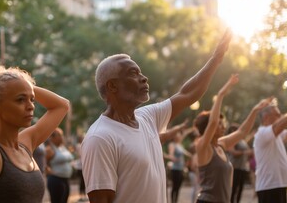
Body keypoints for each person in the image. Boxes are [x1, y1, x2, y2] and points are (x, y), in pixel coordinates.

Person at [81, 29, 232, 203]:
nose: (144, 78)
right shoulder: (100, 137)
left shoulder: (147, 117)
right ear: (113, 86)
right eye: (133, 73)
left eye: (140, 72)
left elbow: (187, 93)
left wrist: (216, 58)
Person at [0, 62, 70, 203]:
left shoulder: (26, 144)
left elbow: (62, 105)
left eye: (32, 99)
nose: (30, 106)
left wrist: (19, 83)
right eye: (20, 99)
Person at [194, 74, 273, 203]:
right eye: (220, 123)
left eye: (222, 123)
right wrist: (221, 94)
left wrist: (255, 110)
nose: (223, 126)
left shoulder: (220, 144)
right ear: (207, 127)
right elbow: (212, 122)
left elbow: (242, 132)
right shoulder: (202, 146)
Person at [163, 119, 193, 203]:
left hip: (181, 169)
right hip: (175, 169)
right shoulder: (172, 145)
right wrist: (173, 158)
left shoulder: (180, 145)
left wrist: (190, 156)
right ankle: (173, 201)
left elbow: (185, 134)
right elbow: (171, 155)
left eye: (180, 134)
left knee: (179, 187)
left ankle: (176, 201)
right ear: (175, 136)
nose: (180, 135)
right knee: (175, 187)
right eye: (178, 134)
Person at [45, 128, 74, 203]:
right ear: (53, 137)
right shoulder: (49, 149)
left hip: (66, 179)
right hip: (56, 180)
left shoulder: (63, 147)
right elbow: (44, 164)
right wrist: (50, 172)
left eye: (62, 135)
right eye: (60, 135)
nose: (62, 137)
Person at [226, 123, 254, 203]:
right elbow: (233, 152)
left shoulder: (241, 141)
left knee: (240, 189)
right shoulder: (230, 141)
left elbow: (245, 143)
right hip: (234, 168)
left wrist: (251, 136)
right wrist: (245, 152)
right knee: (233, 189)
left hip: (242, 168)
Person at [74, 134, 89, 202]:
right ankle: (81, 195)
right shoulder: (79, 145)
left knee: (84, 181)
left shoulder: (82, 145)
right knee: (82, 182)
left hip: (83, 166)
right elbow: (81, 154)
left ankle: (84, 195)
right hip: (81, 167)